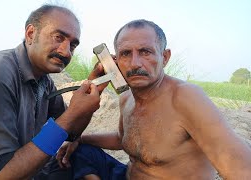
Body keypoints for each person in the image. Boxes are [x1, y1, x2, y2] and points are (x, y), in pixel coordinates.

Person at [56, 19, 251, 179]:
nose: (135, 63)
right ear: (115, 62)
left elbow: (238, 165)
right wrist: (79, 139)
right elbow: (123, 140)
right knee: (80, 153)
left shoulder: (187, 98)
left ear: (165, 57)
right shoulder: (127, 98)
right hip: (127, 175)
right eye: (125, 54)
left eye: (145, 52)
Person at [0, 4, 107, 180]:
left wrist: (92, 91)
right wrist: (71, 115)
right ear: (31, 34)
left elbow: (71, 133)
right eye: (58, 37)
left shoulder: (43, 81)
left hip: (16, 166)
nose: (66, 52)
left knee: (87, 156)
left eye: (73, 45)